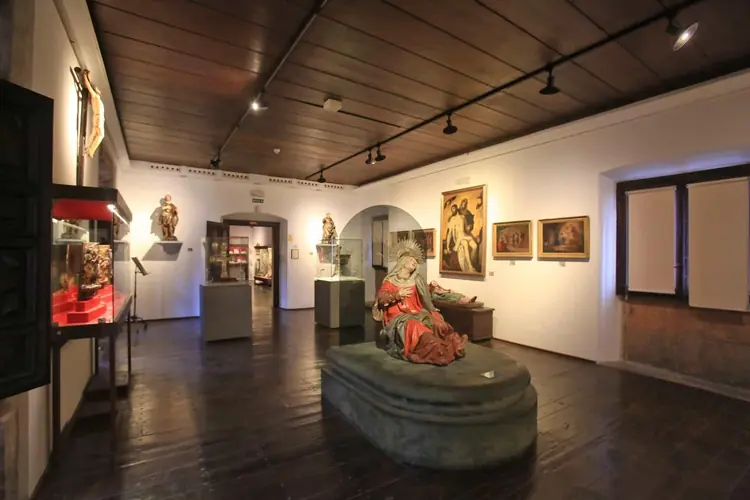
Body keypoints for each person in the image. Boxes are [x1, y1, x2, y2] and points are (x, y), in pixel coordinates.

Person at [373, 239, 468, 365]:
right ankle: (437, 349)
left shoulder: (416, 280)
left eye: (416, 262)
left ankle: (453, 344)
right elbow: (381, 298)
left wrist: (432, 299)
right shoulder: (390, 281)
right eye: (411, 260)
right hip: (400, 317)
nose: (415, 263)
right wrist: (397, 295)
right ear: (403, 262)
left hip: (418, 312)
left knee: (438, 324)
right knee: (416, 328)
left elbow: (425, 295)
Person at [82, 69, 105, 158]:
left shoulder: (95, 97)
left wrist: (87, 76)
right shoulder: (95, 96)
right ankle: (90, 149)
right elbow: (89, 86)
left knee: (95, 133)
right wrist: (85, 76)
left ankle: (88, 147)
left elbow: (90, 86)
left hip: (98, 117)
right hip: (98, 117)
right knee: (100, 135)